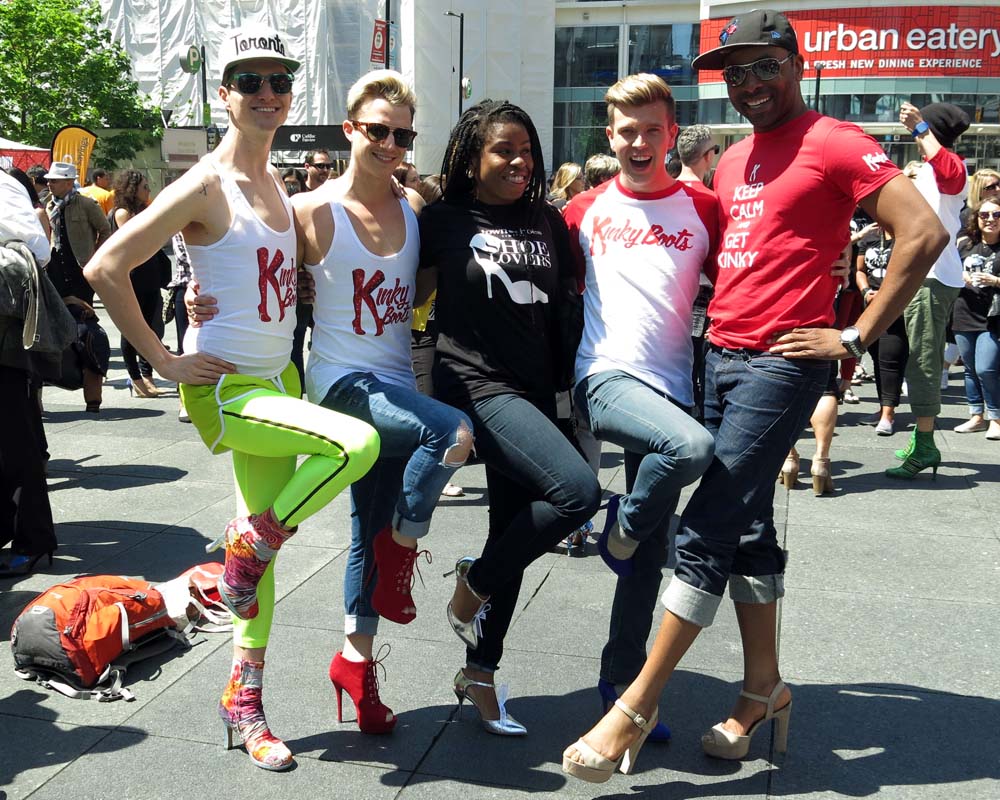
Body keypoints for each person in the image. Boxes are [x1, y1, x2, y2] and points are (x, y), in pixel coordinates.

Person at [562, 9, 947, 784]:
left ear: (795, 64)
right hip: (718, 357)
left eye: (763, 66)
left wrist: (854, 337)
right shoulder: (732, 161)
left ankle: (635, 705)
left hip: (782, 362)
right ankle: (763, 690)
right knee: (747, 525)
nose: (748, 83)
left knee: (705, 526)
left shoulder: (836, 140)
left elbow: (923, 233)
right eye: (734, 72)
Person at [84, 25, 380, 772]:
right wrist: (161, 357)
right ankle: (249, 546)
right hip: (230, 389)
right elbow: (106, 267)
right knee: (356, 446)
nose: (269, 95)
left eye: (279, 81)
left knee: (264, 565)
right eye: (251, 82)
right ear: (224, 93)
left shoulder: (276, 179)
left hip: (279, 378)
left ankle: (242, 702)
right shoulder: (204, 183)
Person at [294, 70, 474, 734]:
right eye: (377, 130)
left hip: (396, 385)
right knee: (452, 434)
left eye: (401, 134)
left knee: (363, 535)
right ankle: (403, 555)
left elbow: (428, 283)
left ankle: (355, 668)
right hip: (342, 387)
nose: (390, 143)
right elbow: (264, 280)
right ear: (350, 130)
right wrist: (203, 306)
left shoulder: (415, 210)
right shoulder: (311, 211)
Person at [421, 98, 601, 735]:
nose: (519, 161)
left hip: (532, 392)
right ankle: (474, 581)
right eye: (503, 149)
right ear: (471, 159)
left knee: (512, 531)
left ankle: (480, 672)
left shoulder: (546, 219)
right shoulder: (440, 218)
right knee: (579, 493)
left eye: (526, 150)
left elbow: (558, 314)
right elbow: (396, 289)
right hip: (474, 384)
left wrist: (561, 395)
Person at [562, 73, 717, 743]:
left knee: (646, 560)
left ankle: (620, 686)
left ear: (671, 134)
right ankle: (621, 518)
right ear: (610, 136)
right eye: (627, 131)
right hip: (604, 378)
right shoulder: (583, 210)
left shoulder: (705, 208)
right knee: (692, 450)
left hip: (674, 389)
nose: (639, 142)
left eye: (652, 129)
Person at [888, 101, 970, 479]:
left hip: (932, 276)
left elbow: (952, 172)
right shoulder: (928, 170)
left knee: (922, 358)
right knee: (917, 355)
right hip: (925, 274)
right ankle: (923, 440)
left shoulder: (950, 167)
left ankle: (925, 445)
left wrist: (921, 130)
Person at [0, 170, 60, 577]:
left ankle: (35, 541)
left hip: (4, 337)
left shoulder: (3, 184)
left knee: (15, 440)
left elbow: (38, 247)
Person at [44, 160, 112, 412]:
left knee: (85, 324)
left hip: (81, 271)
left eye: (54, 180)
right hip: (56, 271)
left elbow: (105, 229)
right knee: (58, 325)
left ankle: (92, 392)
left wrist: (95, 257)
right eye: (49, 180)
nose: (49, 183)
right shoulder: (49, 205)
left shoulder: (85, 203)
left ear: (68, 181)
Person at [108, 169, 170, 398]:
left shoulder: (143, 210)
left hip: (149, 276)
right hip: (132, 278)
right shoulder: (123, 213)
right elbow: (135, 243)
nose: (149, 191)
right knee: (131, 328)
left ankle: (148, 375)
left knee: (150, 328)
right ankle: (135, 379)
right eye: (145, 187)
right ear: (133, 189)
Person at [953, 197, 1000, 439]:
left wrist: (996, 281)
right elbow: (950, 272)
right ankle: (976, 416)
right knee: (970, 369)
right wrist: (961, 276)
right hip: (964, 312)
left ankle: (996, 418)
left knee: (986, 368)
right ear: (977, 219)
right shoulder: (965, 245)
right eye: (984, 215)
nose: (990, 219)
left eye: (996, 215)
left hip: (992, 317)